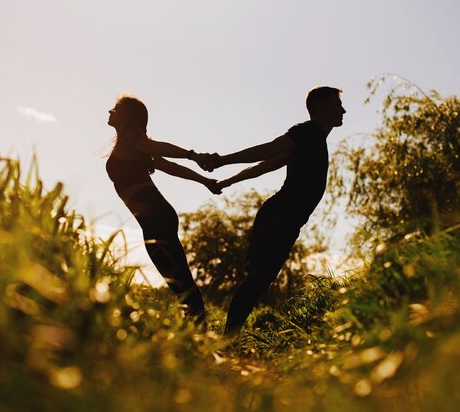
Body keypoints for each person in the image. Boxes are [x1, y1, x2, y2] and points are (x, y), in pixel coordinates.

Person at [196, 86, 346, 336]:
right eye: (337, 104)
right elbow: (267, 150)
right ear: (321, 108)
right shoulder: (306, 132)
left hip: (283, 219)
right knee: (257, 280)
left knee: (259, 281)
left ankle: (227, 339)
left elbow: (263, 167)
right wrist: (222, 160)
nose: (343, 110)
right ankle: (226, 341)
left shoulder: (313, 140)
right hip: (279, 217)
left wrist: (227, 181)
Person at [106, 94, 220, 325]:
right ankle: (197, 329)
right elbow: (171, 167)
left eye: (116, 108)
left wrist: (193, 155)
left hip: (157, 216)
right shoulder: (128, 144)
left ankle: (200, 332)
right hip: (152, 219)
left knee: (179, 279)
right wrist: (205, 181)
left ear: (129, 117)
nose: (110, 111)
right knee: (176, 279)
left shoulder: (136, 141)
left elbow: (164, 152)